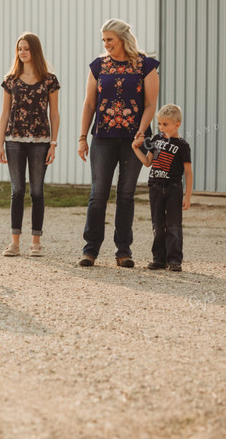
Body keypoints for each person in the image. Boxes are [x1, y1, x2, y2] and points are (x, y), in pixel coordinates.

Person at [77, 18, 159, 268]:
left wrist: (142, 132)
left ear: (122, 39)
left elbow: (150, 104)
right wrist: (82, 137)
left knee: (126, 195)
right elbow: (89, 104)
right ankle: (90, 250)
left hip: (134, 141)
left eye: (109, 39)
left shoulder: (146, 65)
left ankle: (123, 251)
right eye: (103, 40)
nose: (106, 44)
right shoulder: (99, 66)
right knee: (98, 195)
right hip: (102, 138)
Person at [0, 32, 60, 257]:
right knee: (17, 191)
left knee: (37, 191)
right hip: (13, 140)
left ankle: (36, 243)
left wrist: (53, 143)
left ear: (35, 50)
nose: (22, 52)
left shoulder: (49, 80)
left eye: (26, 48)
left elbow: (54, 113)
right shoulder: (11, 80)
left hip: (41, 141)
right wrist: (0, 144)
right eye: (19, 49)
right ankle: (14, 243)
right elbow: (4, 114)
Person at [132, 104, 192, 272]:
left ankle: (174, 260)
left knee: (173, 225)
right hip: (156, 187)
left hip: (173, 188)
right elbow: (147, 162)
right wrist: (135, 148)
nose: (161, 127)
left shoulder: (182, 145)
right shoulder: (156, 141)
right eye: (159, 124)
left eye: (165, 124)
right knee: (158, 225)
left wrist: (187, 196)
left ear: (177, 124)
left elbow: (188, 172)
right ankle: (159, 259)